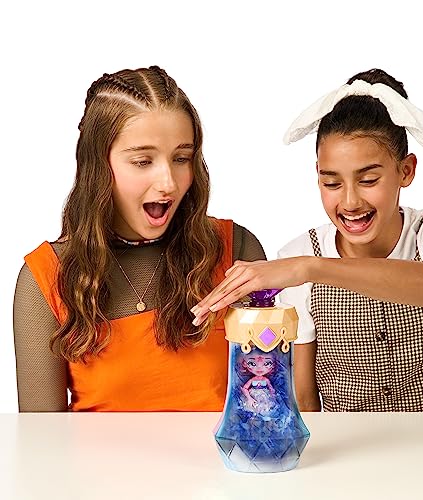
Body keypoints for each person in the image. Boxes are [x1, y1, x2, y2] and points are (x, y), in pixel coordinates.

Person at [192, 68, 423, 412]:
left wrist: (309, 269)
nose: (350, 202)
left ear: (406, 170)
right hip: (346, 446)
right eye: (331, 183)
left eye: (368, 180)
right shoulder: (301, 251)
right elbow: (304, 397)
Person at [13, 65, 266, 412]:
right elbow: (41, 437)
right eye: (143, 161)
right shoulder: (45, 277)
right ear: (98, 165)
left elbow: (270, 401)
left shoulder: (236, 249)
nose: (169, 183)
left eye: (181, 158)